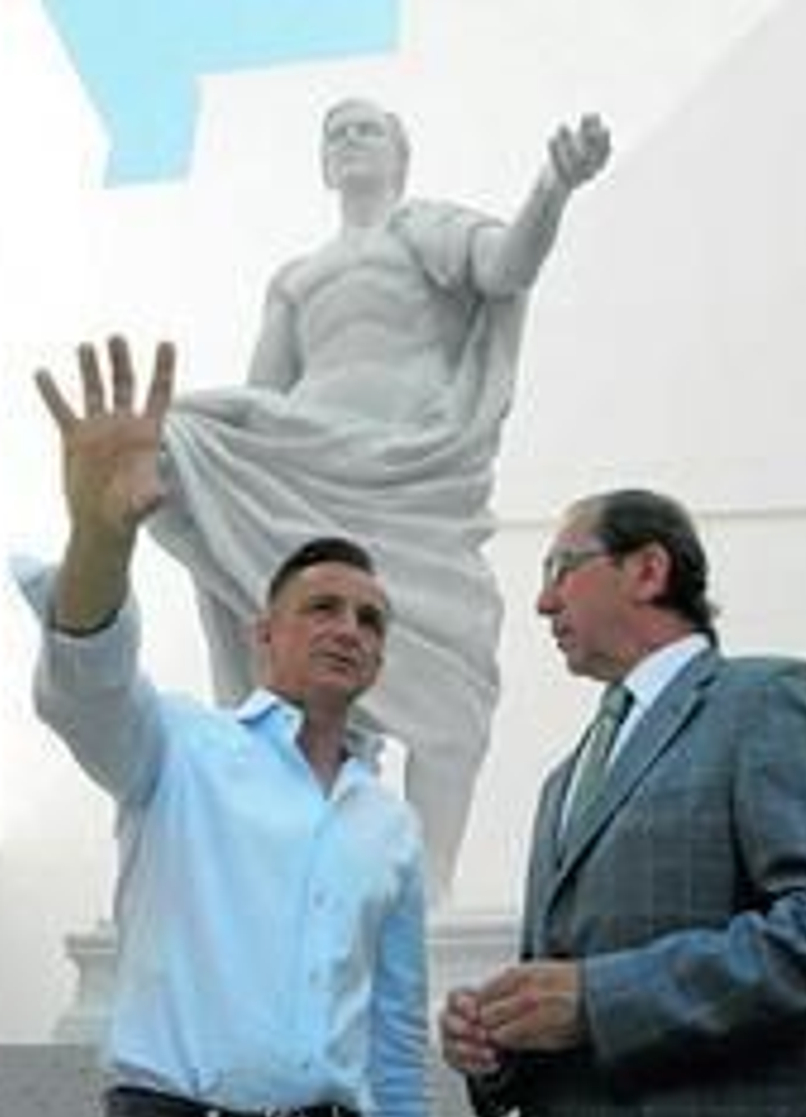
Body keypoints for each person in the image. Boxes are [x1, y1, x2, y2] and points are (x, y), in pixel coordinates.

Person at [20, 335, 444, 1117]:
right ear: (264, 634)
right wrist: (102, 535)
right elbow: (84, 684)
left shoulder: (391, 826)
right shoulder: (177, 746)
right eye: (322, 607)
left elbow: (397, 1028)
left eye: (370, 619)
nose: (349, 628)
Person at [144, 98, 611, 899]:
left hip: (414, 484)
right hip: (306, 477)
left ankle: (426, 892)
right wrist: (205, 457)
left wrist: (552, 187)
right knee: (174, 442)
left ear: (400, 155)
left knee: (454, 687)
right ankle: (288, 864)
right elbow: (264, 394)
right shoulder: (295, 277)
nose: (350, 140)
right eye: (336, 133)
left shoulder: (423, 230)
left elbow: (505, 267)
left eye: (367, 129)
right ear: (325, 165)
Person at [439, 487, 806, 1117]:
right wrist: (502, 1034)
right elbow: (566, 982)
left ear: (648, 568)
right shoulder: (564, 779)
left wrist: (598, 998)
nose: (542, 601)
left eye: (561, 568)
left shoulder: (767, 701)